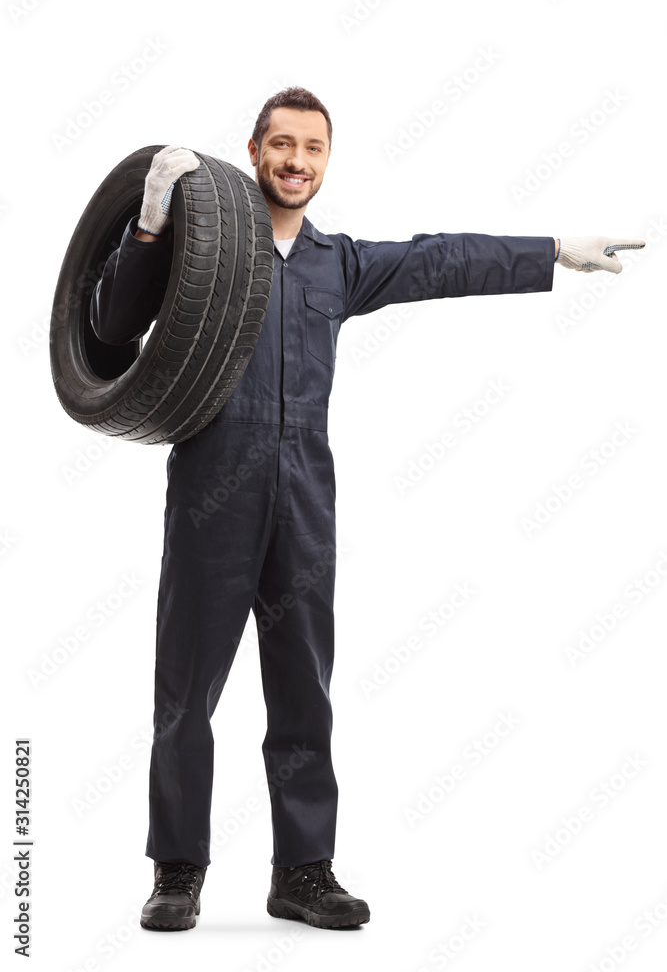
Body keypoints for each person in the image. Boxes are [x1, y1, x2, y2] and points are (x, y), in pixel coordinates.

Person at [90, 86, 644, 932]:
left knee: (304, 687)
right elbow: (113, 323)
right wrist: (153, 222)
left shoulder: (335, 264)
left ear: (325, 161)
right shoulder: (199, 255)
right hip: (212, 488)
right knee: (186, 689)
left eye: (312, 148)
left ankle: (303, 872)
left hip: (305, 493)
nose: (296, 162)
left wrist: (554, 250)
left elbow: (438, 260)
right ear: (252, 150)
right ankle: (177, 871)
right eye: (281, 145)